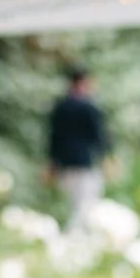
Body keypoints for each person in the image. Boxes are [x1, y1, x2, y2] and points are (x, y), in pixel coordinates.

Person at [46, 69, 109, 227]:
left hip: (64, 161)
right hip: (84, 161)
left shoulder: (60, 107)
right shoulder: (89, 107)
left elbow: (53, 136)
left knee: (70, 202)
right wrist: (105, 157)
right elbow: (98, 135)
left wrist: (52, 162)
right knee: (84, 203)